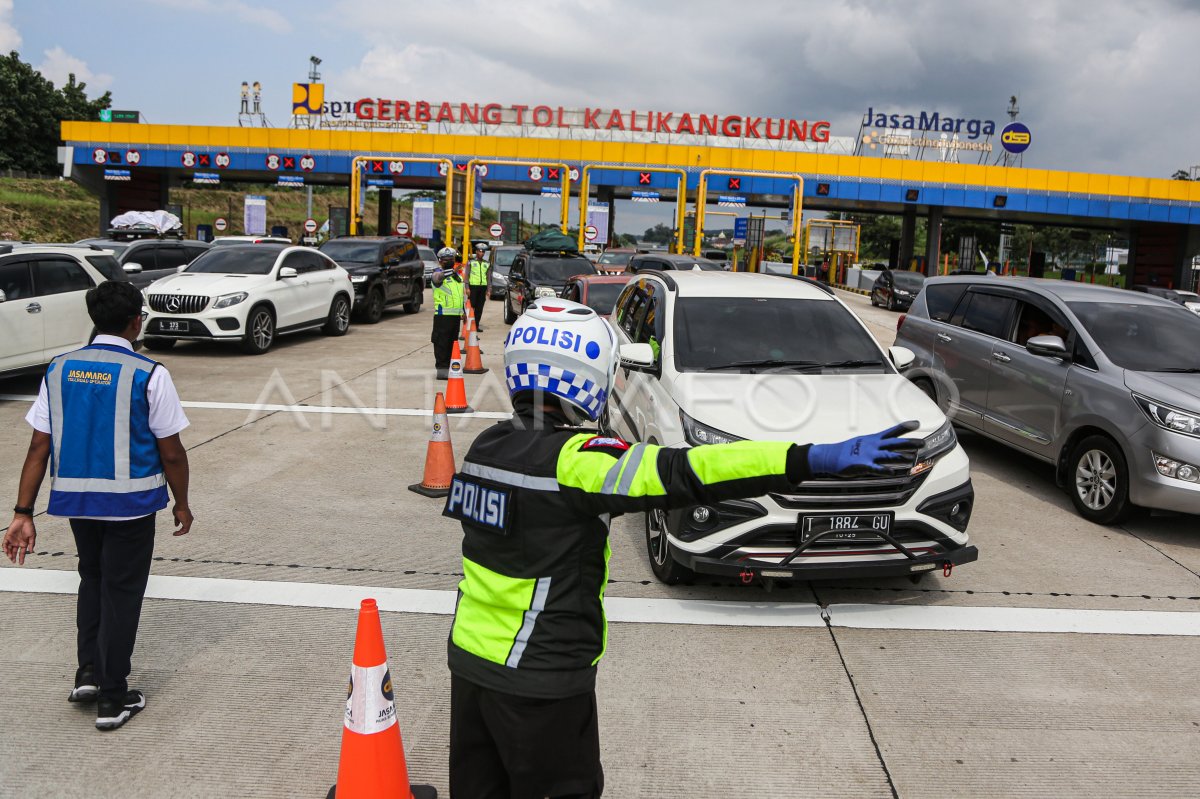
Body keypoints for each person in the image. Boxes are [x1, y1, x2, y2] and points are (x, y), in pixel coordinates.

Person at [443, 298, 919, 798]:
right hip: (543, 680)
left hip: (470, 665)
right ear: (589, 376)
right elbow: (692, 471)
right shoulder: (578, 463)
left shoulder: (483, 450)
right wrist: (809, 458)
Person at [3, 280, 193, 732]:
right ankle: (112, 696)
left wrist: (22, 512)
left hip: (77, 503)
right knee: (121, 594)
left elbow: (37, 446)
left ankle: (87, 672)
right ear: (134, 322)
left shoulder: (59, 369)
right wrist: (182, 502)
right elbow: (172, 452)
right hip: (129, 506)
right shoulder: (149, 373)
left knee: (93, 580)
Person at [430, 246, 465, 379]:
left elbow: (459, 295)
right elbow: (437, 278)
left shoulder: (457, 277)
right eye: (445, 260)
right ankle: (442, 370)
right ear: (440, 261)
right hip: (442, 316)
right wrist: (452, 271)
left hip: (455, 317)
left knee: (452, 343)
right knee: (441, 343)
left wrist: (463, 311)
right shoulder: (437, 273)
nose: (448, 261)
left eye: (451, 259)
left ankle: (450, 368)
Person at [467, 242, 491, 331]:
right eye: (479, 251)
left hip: (482, 288)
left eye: (483, 252)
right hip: (473, 287)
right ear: (476, 252)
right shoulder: (471, 262)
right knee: (472, 307)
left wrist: (489, 289)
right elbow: (467, 276)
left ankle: (476, 326)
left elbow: (488, 278)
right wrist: (467, 288)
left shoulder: (487, 263)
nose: (481, 253)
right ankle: (469, 325)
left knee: (480, 308)